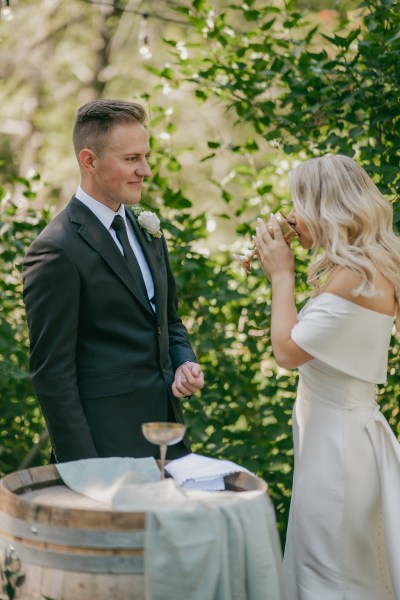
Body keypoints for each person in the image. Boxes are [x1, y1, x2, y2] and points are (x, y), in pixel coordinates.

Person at [22, 98, 204, 463]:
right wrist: (85, 469)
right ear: (90, 161)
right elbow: (52, 375)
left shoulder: (147, 229)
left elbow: (168, 321)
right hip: (104, 451)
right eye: (131, 159)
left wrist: (184, 361)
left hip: (168, 439)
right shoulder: (56, 249)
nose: (146, 170)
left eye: (145, 157)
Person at [254, 154, 400, 600]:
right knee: (346, 571)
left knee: (328, 576)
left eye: (299, 204)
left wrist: (281, 275)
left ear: (325, 208)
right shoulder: (358, 268)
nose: (292, 217)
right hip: (338, 441)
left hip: (337, 452)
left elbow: (287, 351)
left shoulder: (355, 276)